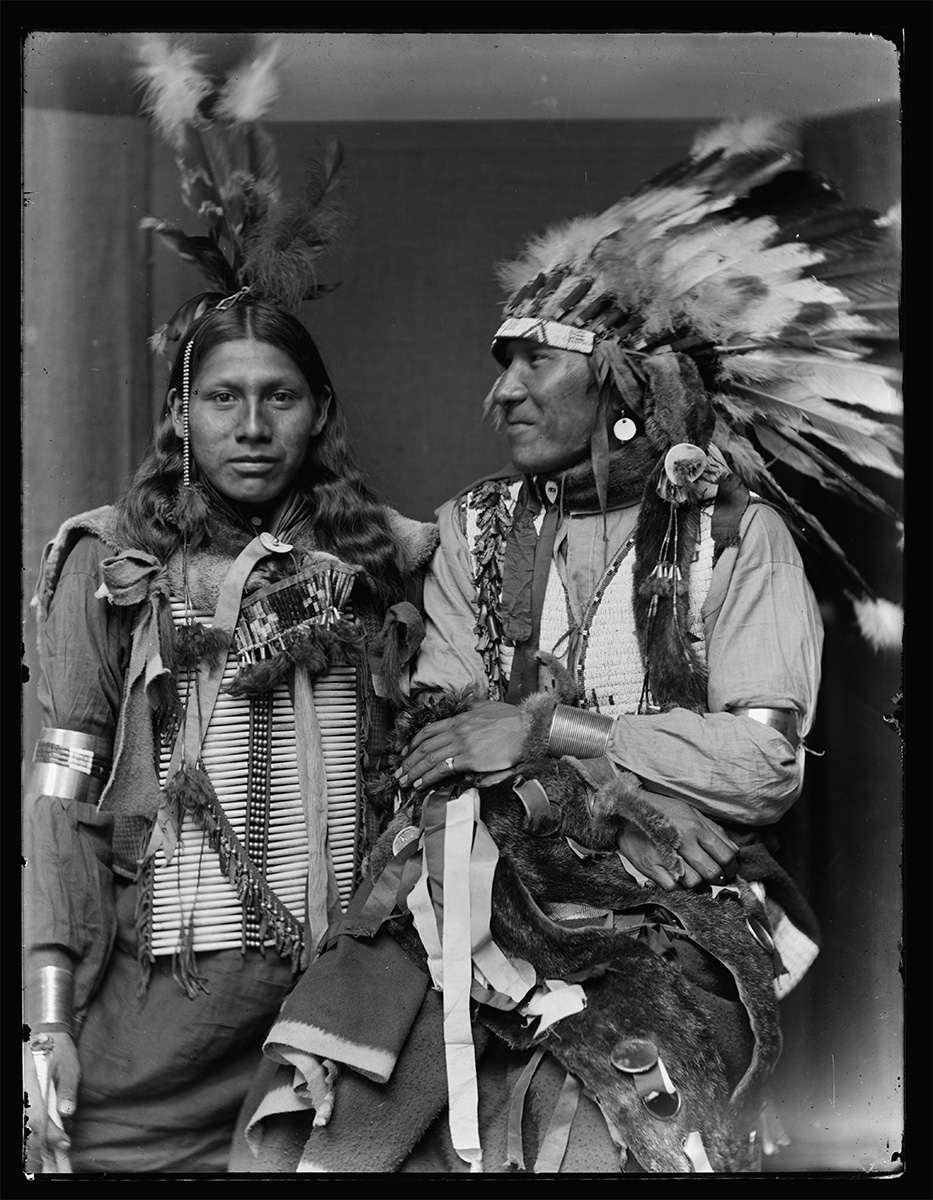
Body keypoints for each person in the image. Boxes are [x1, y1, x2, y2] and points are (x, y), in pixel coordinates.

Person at [231, 118, 902, 1173]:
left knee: (601, 1137)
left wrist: (546, 726)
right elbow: (444, 734)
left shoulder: (735, 535)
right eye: (499, 366)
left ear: (627, 385)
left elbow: (761, 767)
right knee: (308, 1118)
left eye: (533, 363)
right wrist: (506, 749)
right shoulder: (479, 531)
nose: (498, 395)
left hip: (682, 907)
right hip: (476, 886)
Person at [22, 40, 437, 1174]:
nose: (251, 427)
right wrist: (50, 1011)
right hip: (169, 995)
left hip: (342, 992)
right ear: (182, 415)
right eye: (222, 399)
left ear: (319, 413)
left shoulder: (390, 559)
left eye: (279, 398)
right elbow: (61, 793)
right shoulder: (108, 563)